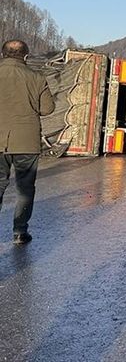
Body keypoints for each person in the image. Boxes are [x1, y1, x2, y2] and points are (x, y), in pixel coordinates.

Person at [0, 39, 55, 244]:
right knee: (25, 188)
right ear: (25, 56)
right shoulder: (37, 77)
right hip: (26, 141)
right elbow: (47, 109)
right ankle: (20, 232)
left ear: (3, 54)